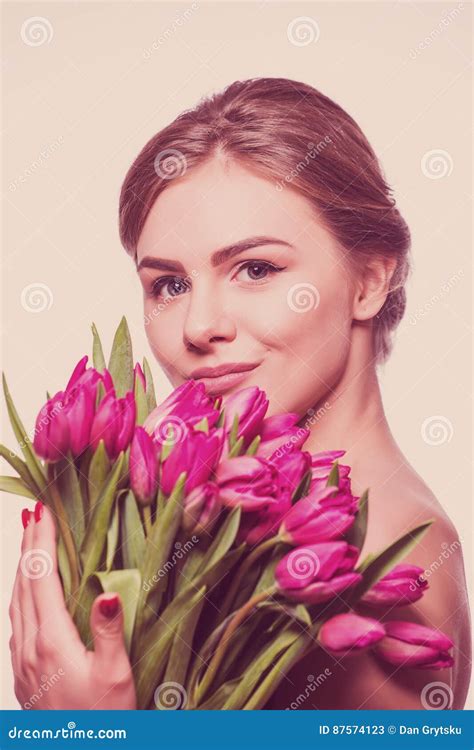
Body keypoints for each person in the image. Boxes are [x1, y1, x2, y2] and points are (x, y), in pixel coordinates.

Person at [9, 78, 471, 710]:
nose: (199, 326)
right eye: (169, 284)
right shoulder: (247, 513)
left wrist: (91, 731)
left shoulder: (379, 559)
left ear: (369, 280)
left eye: (256, 269)